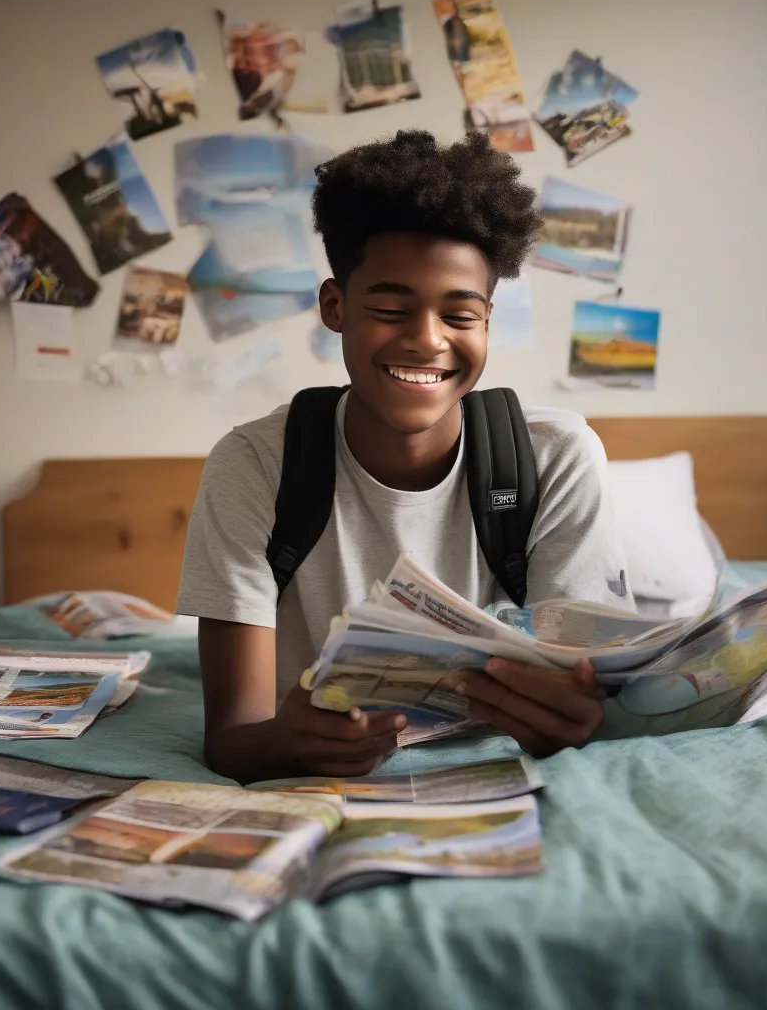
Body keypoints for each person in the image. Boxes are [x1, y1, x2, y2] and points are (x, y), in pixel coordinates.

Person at [177, 130, 634, 784]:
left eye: (460, 316)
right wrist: (289, 741)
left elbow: (581, 692)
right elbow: (233, 742)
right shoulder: (253, 465)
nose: (426, 340)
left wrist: (575, 717)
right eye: (391, 308)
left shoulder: (555, 457)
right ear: (335, 308)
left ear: (487, 322)